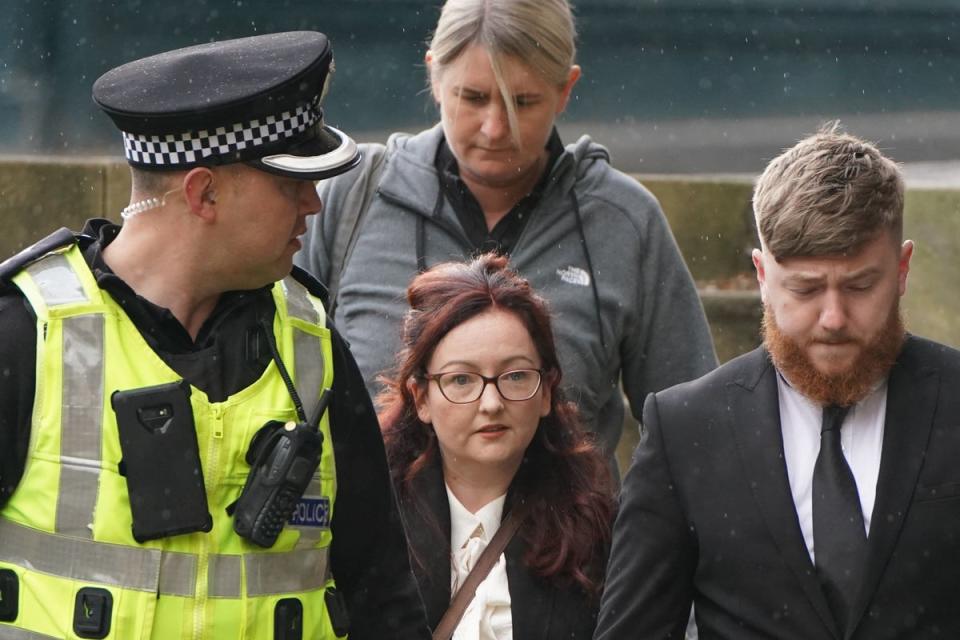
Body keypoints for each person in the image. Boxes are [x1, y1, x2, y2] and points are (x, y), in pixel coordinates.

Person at [0, 32, 430, 639]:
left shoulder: (311, 343)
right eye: (290, 184)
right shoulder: (22, 336)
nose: (314, 203)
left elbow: (381, 595)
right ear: (204, 192)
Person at [294, 0, 717, 470]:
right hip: (370, 539)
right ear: (434, 77)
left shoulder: (623, 221)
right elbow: (277, 388)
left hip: (564, 542)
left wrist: (641, 539)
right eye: (473, 97)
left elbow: (698, 435)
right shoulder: (349, 199)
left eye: (523, 101)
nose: (495, 128)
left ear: (565, 90)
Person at [595, 125, 960, 639]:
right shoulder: (686, 430)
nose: (833, 317)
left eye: (860, 285)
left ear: (902, 269)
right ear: (762, 276)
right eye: (805, 288)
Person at [378, 253, 616, 638]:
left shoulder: (595, 532)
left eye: (516, 375)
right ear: (420, 397)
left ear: (546, 392)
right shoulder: (371, 520)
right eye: (461, 380)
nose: (491, 404)